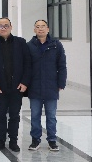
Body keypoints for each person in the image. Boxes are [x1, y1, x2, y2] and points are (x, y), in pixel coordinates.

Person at [0, 17, 31, 152]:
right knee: (0, 116)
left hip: (17, 87)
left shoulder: (21, 42)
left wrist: (24, 82)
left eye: (6, 25)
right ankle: (0, 140)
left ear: (11, 27)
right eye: (0, 26)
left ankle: (13, 141)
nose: (3, 28)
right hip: (0, 88)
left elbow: (27, 64)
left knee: (14, 116)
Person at [27, 19, 67, 152]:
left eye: (43, 26)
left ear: (48, 29)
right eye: (37, 26)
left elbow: (62, 66)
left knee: (51, 116)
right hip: (34, 86)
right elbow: (26, 66)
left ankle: (52, 140)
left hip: (51, 86)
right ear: (34, 30)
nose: (40, 29)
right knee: (35, 115)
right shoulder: (29, 46)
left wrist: (61, 83)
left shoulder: (56, 45)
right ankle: (35, 140)